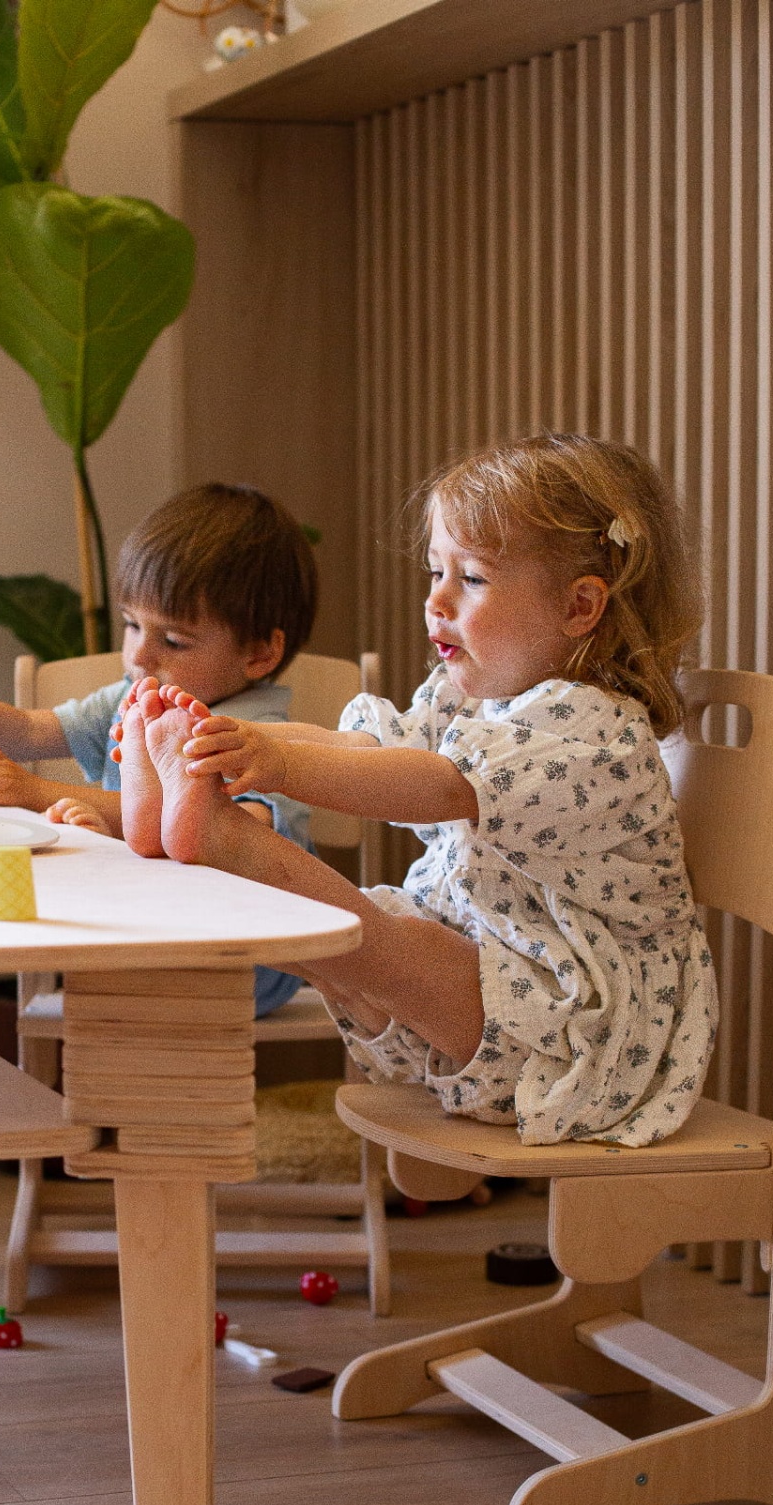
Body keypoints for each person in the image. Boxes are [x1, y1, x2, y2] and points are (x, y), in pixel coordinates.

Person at [112, 433, 718, 1147]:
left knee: (379, 944)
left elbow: (432, 786)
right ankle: (207, 829)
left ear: (580, 607)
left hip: (573, 1029)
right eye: (436, 571)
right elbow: (367, 749)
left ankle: (228, 840)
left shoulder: (592, 727)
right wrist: (224, 741)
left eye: (473, 579)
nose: (437, 600)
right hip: (485, 991)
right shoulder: (474, 699)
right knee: (336, 948)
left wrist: (272, 760)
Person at [0, 482, 319, 1017]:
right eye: (132, 625)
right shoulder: (132, 698)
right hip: (147, 929)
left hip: (244, 954)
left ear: (259, 653)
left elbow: (210, 825)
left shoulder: (251, 737)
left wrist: (38, 793)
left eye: (174, 641)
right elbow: (43, 730)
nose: (139, 655)